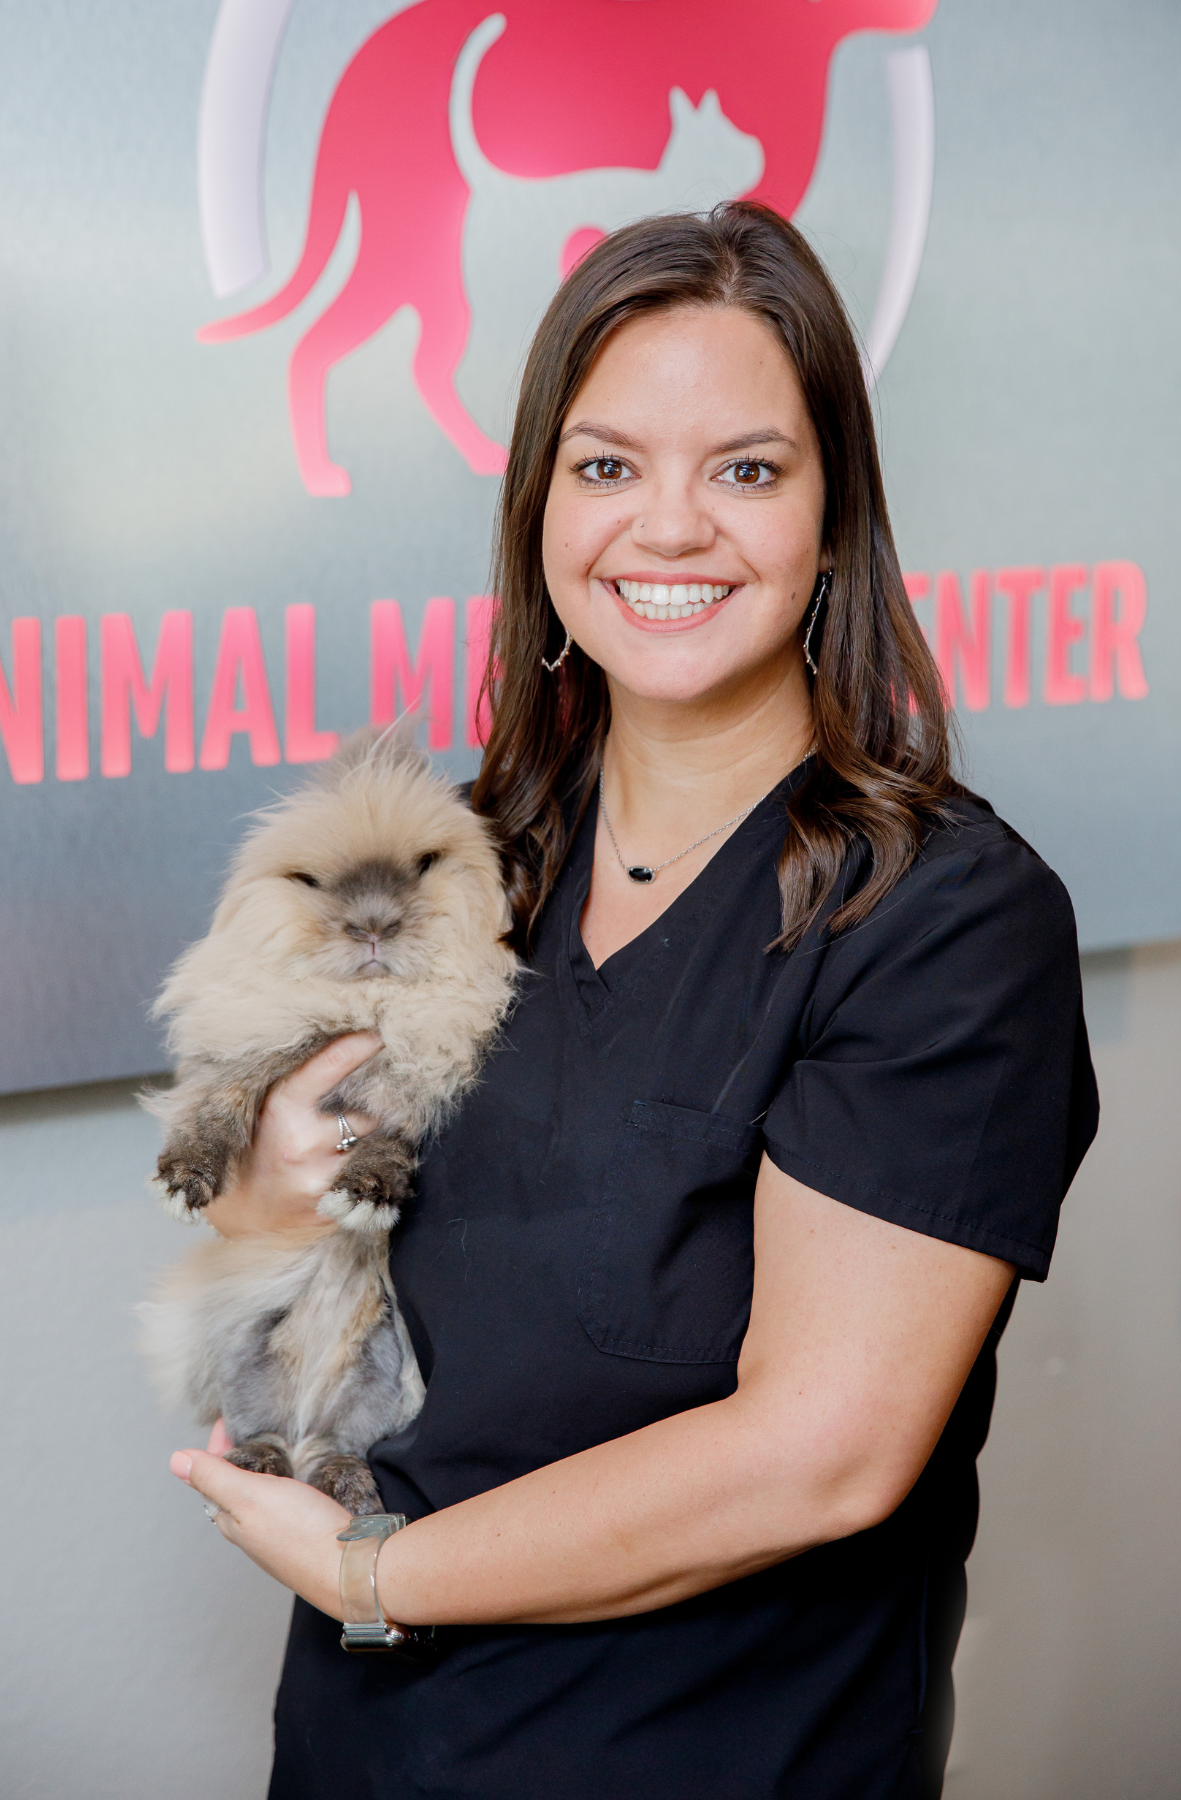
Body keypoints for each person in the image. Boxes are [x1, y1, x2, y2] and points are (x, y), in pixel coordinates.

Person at [170, 204, 1098, 1798]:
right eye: (607, 467)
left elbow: (825, 1453)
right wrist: (264, 1191)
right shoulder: (449, 861)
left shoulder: (943, 920)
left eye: (746, 468)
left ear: (831, 520)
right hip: (372, 1749)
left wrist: (381, 1580)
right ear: (539, 507)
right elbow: (297, 1263)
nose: (668, 528)